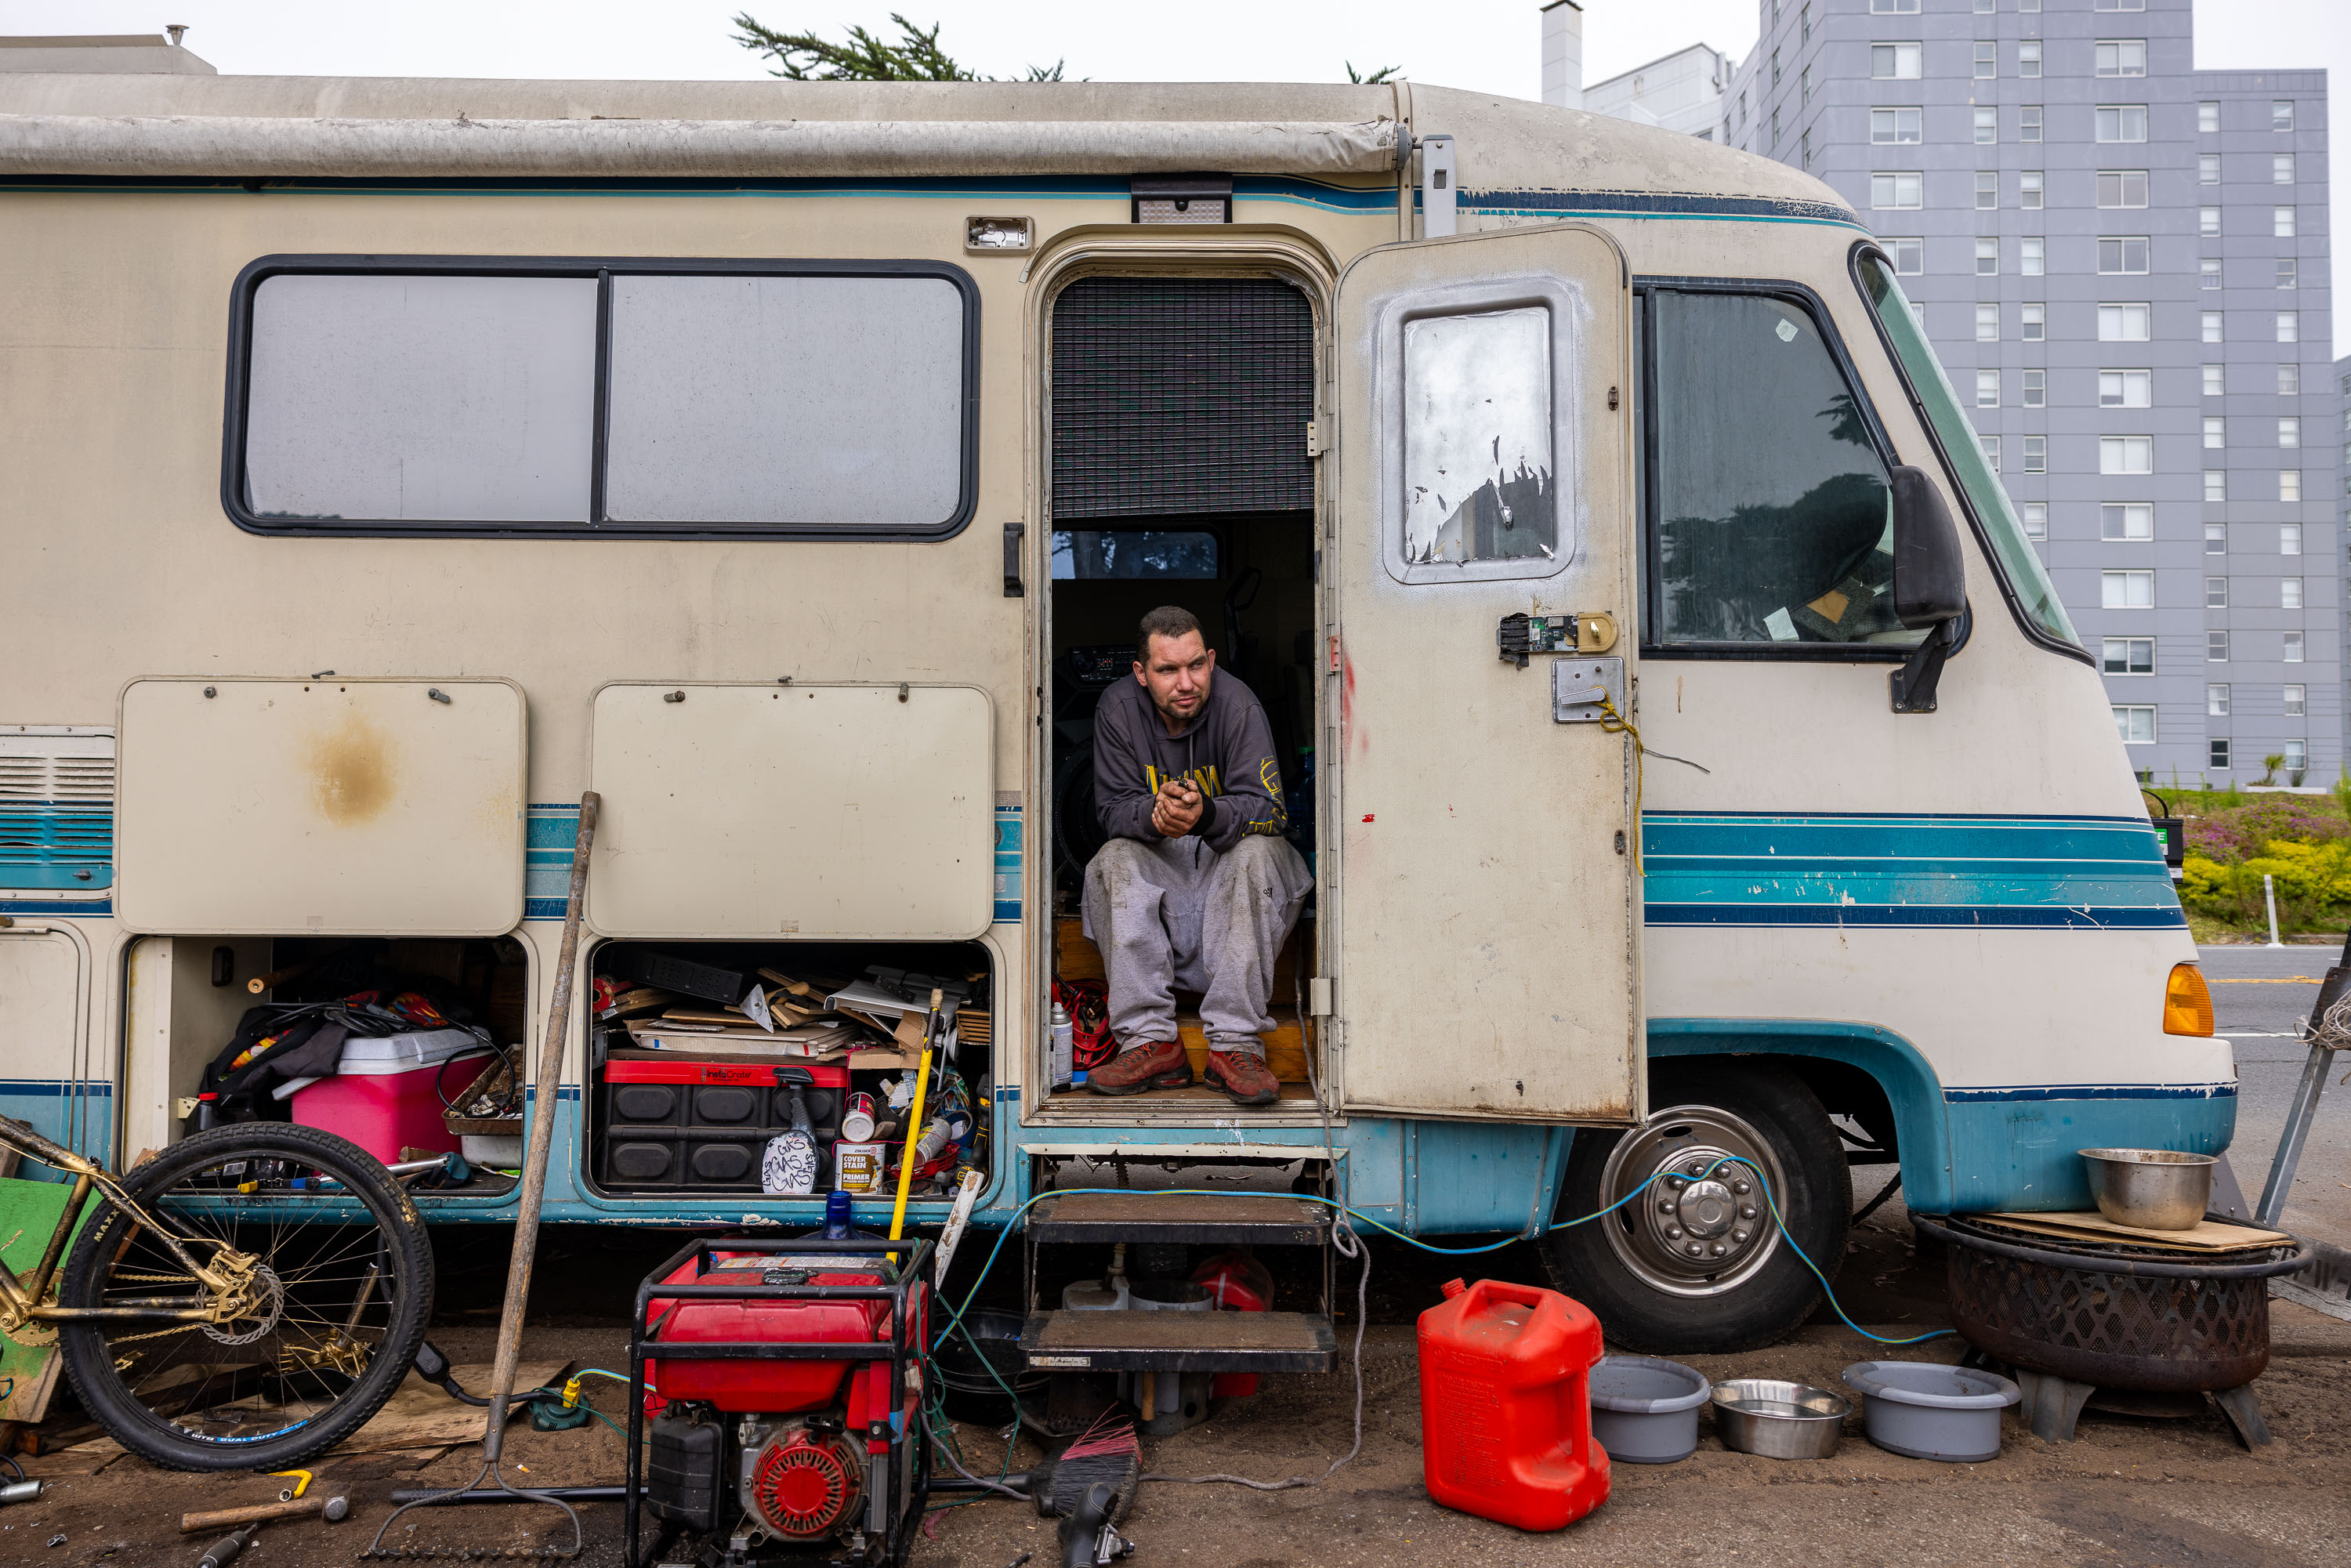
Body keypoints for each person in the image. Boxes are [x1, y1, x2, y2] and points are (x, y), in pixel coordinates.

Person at [1081, 606, 1312, 1105]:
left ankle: (1233, 1046)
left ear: (1210, 659)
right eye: (1167, 670)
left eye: (1196, 666)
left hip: (1226, 868)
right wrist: (1155, 816)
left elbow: (1271, 812)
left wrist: (1207, 815)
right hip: (1162, 868)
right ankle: (1150, 1043)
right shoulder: (1117, 708)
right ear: (1141, 673)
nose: (1186, 683)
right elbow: (1110, 810)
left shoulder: (1239, 705)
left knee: (1259, 851)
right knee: (1112, 859)